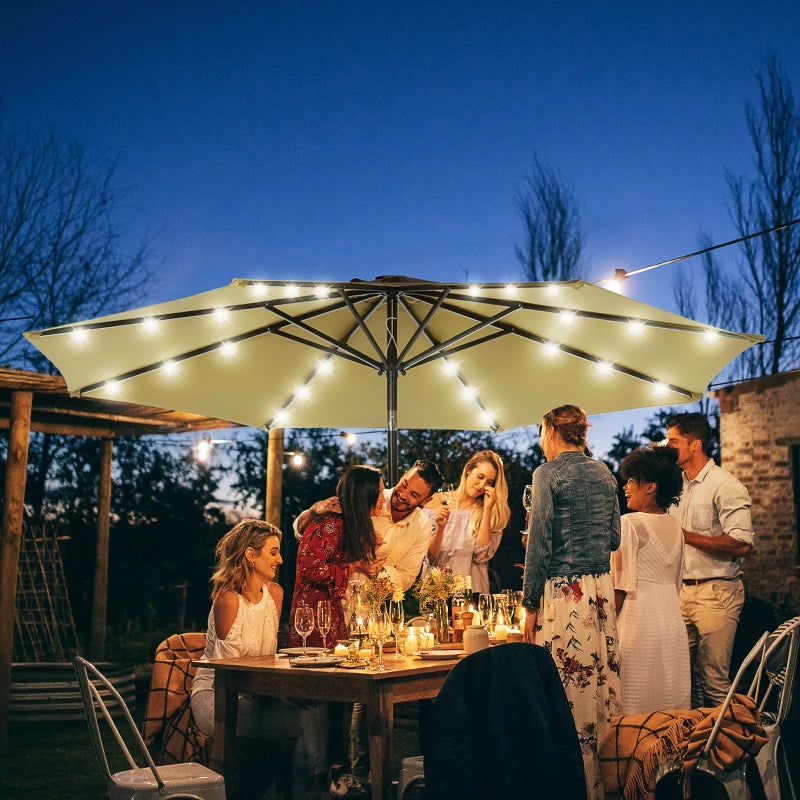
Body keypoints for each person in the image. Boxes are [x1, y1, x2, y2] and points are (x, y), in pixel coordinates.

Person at [295, 459, 443, 798]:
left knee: (368, 692)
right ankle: (335, 771)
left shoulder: (422, 526)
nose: (401, 495)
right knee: (338, 692)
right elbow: (308, 532)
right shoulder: (370, 495)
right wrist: (315, 509)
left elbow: (406, 576)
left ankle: (361, 772)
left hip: (371, 608)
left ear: (426, 499)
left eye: (414, 494)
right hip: (336, 606)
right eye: (404, 484)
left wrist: (377, 574)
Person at [522, 404, 622, 800]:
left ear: (550, 431)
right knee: (599, 685)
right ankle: (606, 781)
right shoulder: (605, 473)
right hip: (599, 592)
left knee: (566, 689)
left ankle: (572, 785)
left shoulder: (547, 474)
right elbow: (613, 538)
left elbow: (540, 544)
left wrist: (530, 604)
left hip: (566, 595)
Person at [191, 519, 314, 798]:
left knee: (301, 719)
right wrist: (275, 696)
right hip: (216, 694)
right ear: (250, 554)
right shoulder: (229, 600)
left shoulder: (275, 594)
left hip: (256, 692)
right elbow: (228, 674)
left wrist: (286, 693)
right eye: (273, 552)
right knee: (288, 725)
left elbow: (268, 660)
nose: (280, 559)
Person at [666, 412, 754, 708]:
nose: (668, 447)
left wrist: (685, 536)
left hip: (718, 593)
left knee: (713, 680)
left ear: (695, 445)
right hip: (681, 594)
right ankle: (693, 751)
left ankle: (729, 752)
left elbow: (742, 544)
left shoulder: (725, 485)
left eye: (674, 441)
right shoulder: (674, 487)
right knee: (681, 680)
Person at [611, 446, 690, 714]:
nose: (626, 487)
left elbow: (620, 586)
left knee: (635, 704)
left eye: (632, 480)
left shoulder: (630, 524)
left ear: (651, 487)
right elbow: (676, 582)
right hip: (671, 623)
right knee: (669, 699)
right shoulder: (676, 528)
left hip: (638, 621)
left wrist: (606, 627)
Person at [288, 465, 386, 648]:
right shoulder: (331, 523)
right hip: (315, 619)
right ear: (365, 495)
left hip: (331, 612)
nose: (384, 499)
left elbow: (334, 557)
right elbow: (310, 569)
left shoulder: (348, 524)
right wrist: (356, 566)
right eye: (379, 492)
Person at [423, 449, 511, 594]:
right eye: (480, 477)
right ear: (468, 470)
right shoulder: (435, 502)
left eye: (489, 482)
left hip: (472, 592)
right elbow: (428, 557)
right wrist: (440, 528)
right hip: (436, 592)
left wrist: (487, 510)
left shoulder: (491, 512)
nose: (482, 485)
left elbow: (482, 556)